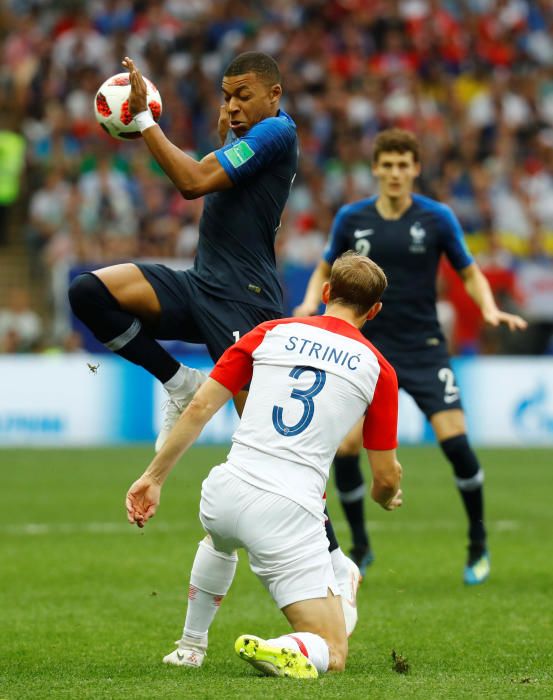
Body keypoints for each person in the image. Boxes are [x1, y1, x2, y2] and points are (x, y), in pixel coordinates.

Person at [68, 51, 360, 624]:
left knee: (270, 446)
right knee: (89, 293)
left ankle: (333, 558)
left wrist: (144, 120)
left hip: (244, 304)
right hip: (199, 287)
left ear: (274, 95)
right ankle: (179, 381)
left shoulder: (278, 133)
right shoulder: (239, 141)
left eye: (243, 94)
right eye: (226, 95)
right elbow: (197, 169)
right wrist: (150, 124)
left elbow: (190, 182)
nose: (232, 106)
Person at [126, 252, 403, 678]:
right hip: (287, 512)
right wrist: (388, 496)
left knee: (217, 541)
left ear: (326, 292)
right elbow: (383, 477)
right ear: (376, 310)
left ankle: (190, 646)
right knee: (334, 648)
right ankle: (285, 643)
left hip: (225, 491)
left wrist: (152, 477)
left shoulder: (269, 331)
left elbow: (199, 406)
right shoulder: (378, 370)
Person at [294, 128, 527, 585]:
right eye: (389, 164)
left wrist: (489, 307)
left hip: (423, 348)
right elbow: (326, 266)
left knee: (456, 443)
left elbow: (469, 270)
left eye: (405, 165)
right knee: (345, 448)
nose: (396, 172)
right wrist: (308, 302)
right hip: (365, 351)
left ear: (415, 169)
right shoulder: (351, 218)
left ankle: (477, 543)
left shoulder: (437, 218)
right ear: (377, 168)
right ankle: (360, 547)